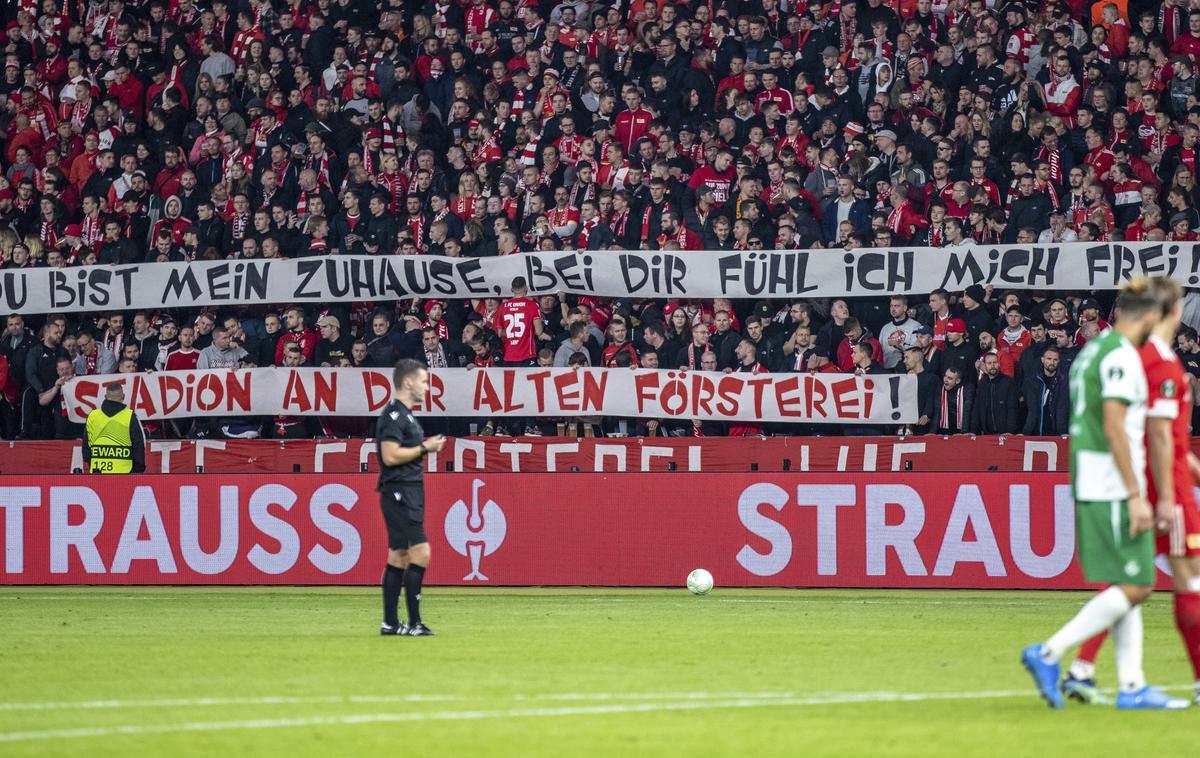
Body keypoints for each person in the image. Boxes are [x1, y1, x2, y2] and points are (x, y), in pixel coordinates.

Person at [1022, 277, 1188, 711]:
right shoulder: (1121, 356)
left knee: (1126, 580)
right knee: (1136, 585)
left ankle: (1132, 685)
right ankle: (1049, 652)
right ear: (1151, 315)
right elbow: (1115, 425)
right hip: (1111, 483)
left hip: (1093, 477)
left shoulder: (1091, 351)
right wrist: (1137, 493)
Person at [376, 359, 447, 637]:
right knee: (421, 552)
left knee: (398, 556)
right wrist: (425, 448)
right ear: (408, 383)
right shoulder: (394, 416)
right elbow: (390, 455)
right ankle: (415, 623)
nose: (427, 387)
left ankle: (391, 624)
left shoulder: (404, 415)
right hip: (399, 490)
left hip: (405, 490)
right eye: (424, 381)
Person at [83, 381, 146, 474]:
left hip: (98, 472)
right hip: (126, 473)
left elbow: (86, 447)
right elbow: (139, 445)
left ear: (105, 397)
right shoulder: (130, 416)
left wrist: (92, 463)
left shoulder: (93, 416)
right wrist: (137, 471)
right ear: (123, 397)